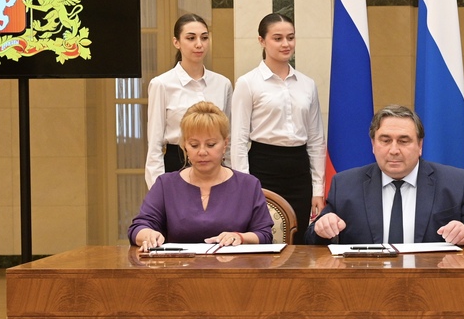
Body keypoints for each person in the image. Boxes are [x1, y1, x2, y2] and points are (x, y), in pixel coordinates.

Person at [306, 105, 464, 246]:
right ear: (373, 144)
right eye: (385, 140)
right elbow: (312, 237)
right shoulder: (346, 184)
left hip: (433, 287)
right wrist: (322, 228)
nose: (394, 150)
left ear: (420, 146)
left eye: (404, 141)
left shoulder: (454, 182)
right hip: (366, 288)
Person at [130, 102, 273, 250]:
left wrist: (240, 237)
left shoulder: (248, 185)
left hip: (234, 270)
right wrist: (147, 234)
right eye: (194, 145)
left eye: (211, 145)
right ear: (184, 145)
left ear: (225, 144)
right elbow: (139, 227)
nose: (202, 152)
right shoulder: (166, 184)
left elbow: (264, 235)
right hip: (179, 270)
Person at [230, 13, 326, 230]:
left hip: (299, 171)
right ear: (262, 41)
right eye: (278, 38)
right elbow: (238, 140)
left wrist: (318, 188)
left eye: (290, 38)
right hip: (263, 168)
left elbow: (316, 139)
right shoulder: (247, 83)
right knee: (264, 235)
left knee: (299, 237)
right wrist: (244, 187)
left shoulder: (307, 84)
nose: (286, 44)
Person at [145, 14, 233, 188]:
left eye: (204, 37)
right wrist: (157, 190)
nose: (199, 44)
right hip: (177, 164)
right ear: (176, 42)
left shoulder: (223, 84)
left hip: (216, 168)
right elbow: (154, 145)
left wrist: (231, 176)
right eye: (191, 38)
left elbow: (227, 138)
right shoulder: (161, 84)